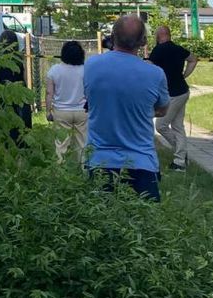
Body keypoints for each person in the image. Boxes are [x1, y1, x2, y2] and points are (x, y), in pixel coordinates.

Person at [83, 15, 169, 201]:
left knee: (100, 225)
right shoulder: (155, 74)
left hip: (99, 161)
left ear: (112, 37)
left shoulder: (91, 66)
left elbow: (91, 99)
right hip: (142, 164)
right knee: (144, 226)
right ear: (144, 41)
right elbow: (163, 110)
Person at [149, 26, 198, 171]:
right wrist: (185, 75)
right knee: (177, 126)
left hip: (171, 94)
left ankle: (181, 155)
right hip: (183, 90)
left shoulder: (158, 50)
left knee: (161, 125)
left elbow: (151, 70)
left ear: (159, 35)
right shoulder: (178, 49)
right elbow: (193, 59)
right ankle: (180, 161)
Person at [46, 40, 87, 162]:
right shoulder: (86, 70)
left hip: (61, 112)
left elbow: (49, 93)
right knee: (83, 143)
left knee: (61, 144)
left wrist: (48, 111)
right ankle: (84, 169)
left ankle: (59, 170)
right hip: (82, 111)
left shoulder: (54, 70)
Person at [0, 30, 32, 141]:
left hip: (1, 94)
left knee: (3, 126)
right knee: (21, 124)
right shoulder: (20, 58)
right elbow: (26, 78)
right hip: (19, 95)